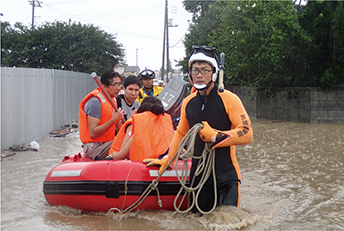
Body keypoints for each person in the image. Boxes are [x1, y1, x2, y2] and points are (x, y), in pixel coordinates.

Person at [144, 45, 253, 214]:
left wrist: (216, 136)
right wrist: (168, 160)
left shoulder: (229, 99)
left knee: (230, 222)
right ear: (190, 74)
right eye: (195, 71)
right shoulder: (188, 102)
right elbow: (180, 134)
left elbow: (247, 133)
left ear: (214, 72)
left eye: (204, 70)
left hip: (226, 178)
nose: (200, 75)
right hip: (198, 179)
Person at [107, 96, 174, 161]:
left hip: (143, 167)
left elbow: (120, 155)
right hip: (168, 165)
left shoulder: (136, 128)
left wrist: (113, 155)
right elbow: (179, 149)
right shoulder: (169, 129)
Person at [79, 70, 124, 159]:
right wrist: (113, 120)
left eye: (119, 84)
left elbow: (118, 129)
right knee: (125, 144)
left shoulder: (113, 100)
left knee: (128, 141)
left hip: (106, 143)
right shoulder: (95, 102)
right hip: (94, 147)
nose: (119, 88)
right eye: (115, 84)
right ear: (105, 86)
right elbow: (93, 133)